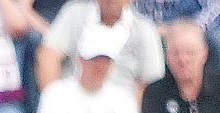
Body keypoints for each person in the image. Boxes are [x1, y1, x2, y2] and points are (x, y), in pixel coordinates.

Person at [38, 0, 167, 99]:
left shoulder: (145, 29)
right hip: (72, 104)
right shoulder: (74, 13)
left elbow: (150, 82)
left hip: (121, 109)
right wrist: (53, 104)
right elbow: (47, 57)